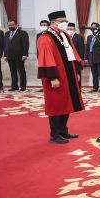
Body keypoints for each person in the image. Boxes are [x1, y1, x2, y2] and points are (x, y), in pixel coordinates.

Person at [37, 10, 84, 144]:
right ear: (53, 23)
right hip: (56, 77)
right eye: (61, 21)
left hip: (68, 75)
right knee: (55, 105)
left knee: (66, 103)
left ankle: (63, 130)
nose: (64, 23)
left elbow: (71, 54)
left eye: (65, 21)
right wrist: (52, 77)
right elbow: (46, 58)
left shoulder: (65, 36)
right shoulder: (45, 37)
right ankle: (55, 134)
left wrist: (75, 72)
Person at [3, 19, 29, 91]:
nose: (10, 26)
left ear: (16, 24)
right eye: (9, 25)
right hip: (9, 55)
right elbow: (5, 45)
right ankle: (14, 86)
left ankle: (23, 86)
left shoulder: (23, 33)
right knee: (12, 71)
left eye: (12, 25)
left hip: (19, 56)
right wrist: (5, 55)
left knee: (21, 71)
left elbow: (25, 44)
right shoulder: (7, 33)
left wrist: (25, 54)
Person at [85, 22, 100, 92]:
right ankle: (95, 87)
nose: (93, 28)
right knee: (94, 73)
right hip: (91, 58)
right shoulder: (89, 37)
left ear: (98, 28)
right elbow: (87, 48)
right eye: (92, 27)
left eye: (94, 27)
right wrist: (86, 58)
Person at [67, 23, 85, 89]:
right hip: (68, 60)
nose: (69, 30)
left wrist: (81, 60)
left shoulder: (79, 37)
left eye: (71, 29)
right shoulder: (65, 37)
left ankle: (78, 89)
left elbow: (81, 49)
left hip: (76, 60)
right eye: (68, 29)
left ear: (74, 29)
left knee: (77, 76)